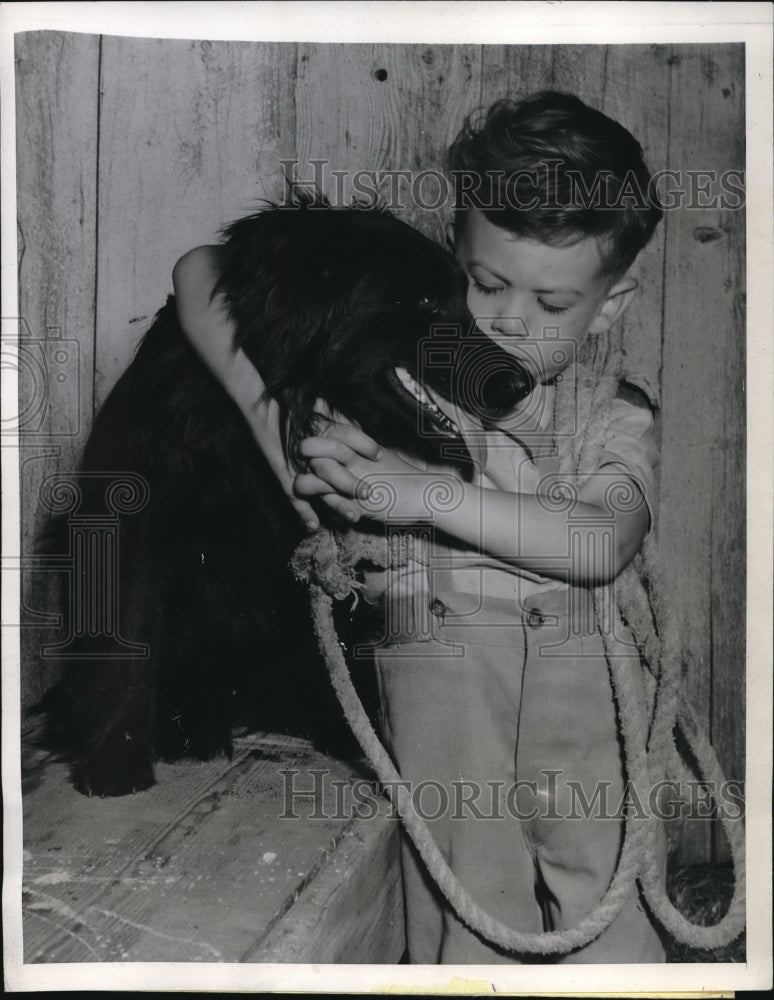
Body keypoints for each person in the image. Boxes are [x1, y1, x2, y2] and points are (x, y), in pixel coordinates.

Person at [173, 91, 667, 964]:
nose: (510, 321)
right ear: (454, 259)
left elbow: (600, 542)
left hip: (582, 713)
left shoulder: (613, 416)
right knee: (457, 904)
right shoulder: (414, 376)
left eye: (553, 304)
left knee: (606, 898)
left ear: (614, 301)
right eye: (485, 283)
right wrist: (288, 434)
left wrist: (422, 496)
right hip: (441, 701)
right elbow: (199, 274)